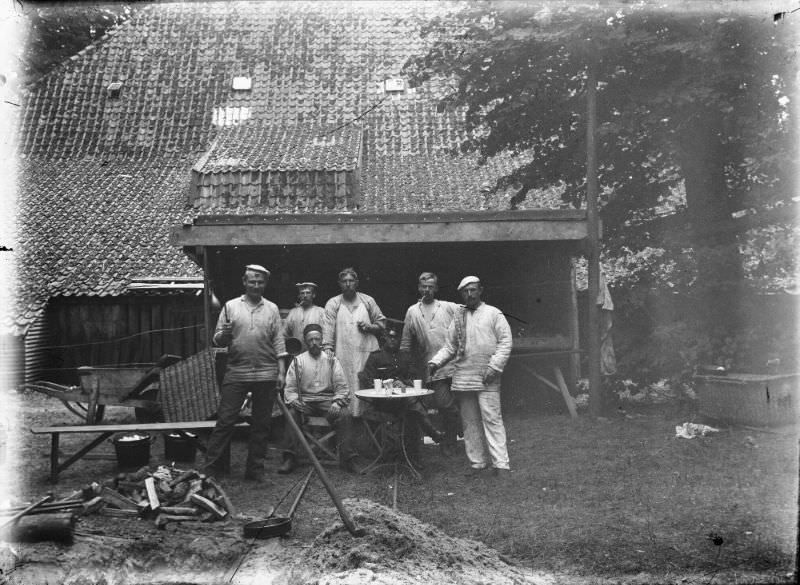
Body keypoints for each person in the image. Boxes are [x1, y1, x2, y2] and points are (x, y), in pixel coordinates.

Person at [203, 264, 286, 482]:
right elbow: (217, 340)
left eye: (260, 282)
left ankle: (255, 470)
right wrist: (225, 335)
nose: (256, 285)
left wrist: (281, 372)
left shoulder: (272, 309)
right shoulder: (230, 307)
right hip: (237, 371)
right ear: (244, 281)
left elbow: (278, 341)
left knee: (261, 425)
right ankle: (213, 469)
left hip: (266, 373)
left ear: (265, 284)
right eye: (252, 281)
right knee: (225, 421)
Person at [428, 276, 513, 477]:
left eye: (473, 290)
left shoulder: (494, 313)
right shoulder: (458, 317)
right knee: (469, 422)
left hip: (487, 375)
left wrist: (495, 366)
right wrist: (435, 362)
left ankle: (501, 465)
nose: (470, 294)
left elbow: (505, 342)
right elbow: (450, 346)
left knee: (492, 418)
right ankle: (477, 463)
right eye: (465, 292)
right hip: (464, 377)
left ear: (480, 290)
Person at [279, 324, 358, 474]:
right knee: (291, 413)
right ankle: (290, 458)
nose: (314, 342)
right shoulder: (298, 361)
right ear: (305, 341)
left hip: (327, 403)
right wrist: (295, 400)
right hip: (306, 403)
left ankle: (348, 459)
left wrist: (336, 402)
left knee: (345, 414)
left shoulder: (331, 360)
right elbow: (290, 388)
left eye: (317, 339)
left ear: (322, 340)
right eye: (310, 340)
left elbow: (342, 387)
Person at [400, 271, 462, 455]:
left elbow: (470, 317)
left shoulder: (448, 307)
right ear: (419, 288)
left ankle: (451, 441)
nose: (427, 290)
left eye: (430, 286)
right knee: (444, 404)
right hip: (434, 366)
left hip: (457, 363)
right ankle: (457, 432)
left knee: (461, 403)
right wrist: (404, 366)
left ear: (436, 288)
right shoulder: (412, 311)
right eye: (423, 286)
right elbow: (405, 342)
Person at [359, 325, 444, 444]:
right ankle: (432, 433)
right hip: (384, 402)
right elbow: (367, 379)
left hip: (403, 399)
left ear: (399, 339)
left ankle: (411, 448)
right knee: (413, 402)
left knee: (412, 404)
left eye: (395, 337)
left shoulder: (405, 356)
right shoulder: (375, 357)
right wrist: (388, 384)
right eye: (390, 337)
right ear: (385, 338)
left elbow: (415, 378)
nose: (392, 340)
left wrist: (403, 382)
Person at [322, 267, 385, 416]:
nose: (348, 284)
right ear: (340, 284)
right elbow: (328, 327)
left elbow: (382, 324)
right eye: (344, 281)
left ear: (356, 283)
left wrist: (370, 326)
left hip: (365, 350)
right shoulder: (333, 303)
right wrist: (328, 347)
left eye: (351, 281)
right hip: (342, 350)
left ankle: (366, 417)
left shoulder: (368, 300)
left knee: (364, 381)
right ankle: (348, 417)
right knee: (344, 382)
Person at [283, 282, 326, 353]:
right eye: (302, 293)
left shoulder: (321, 312)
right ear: (299, 296)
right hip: (296, 354)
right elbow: (284, 334)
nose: (305, 296)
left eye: (308, 293)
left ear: (313, 295)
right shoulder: (293, 312)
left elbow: (326, 334)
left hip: (316, 353)